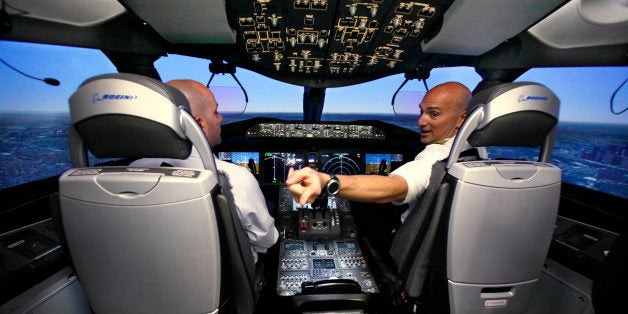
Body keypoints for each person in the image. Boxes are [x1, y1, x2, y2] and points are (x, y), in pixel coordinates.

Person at [130, 79, 278, 263]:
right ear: (199, 124)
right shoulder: (235, 179)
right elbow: (266, 239)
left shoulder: (131, 171)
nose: (221, 118)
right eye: (215, 112)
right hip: (226, 288)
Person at [286, 82, 473, 221]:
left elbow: (395, 186)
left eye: (433, 114)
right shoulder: (474, 152)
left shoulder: (437, 157)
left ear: (460, 119)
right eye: (421, 112)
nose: (420, 122)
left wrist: (327, 181)